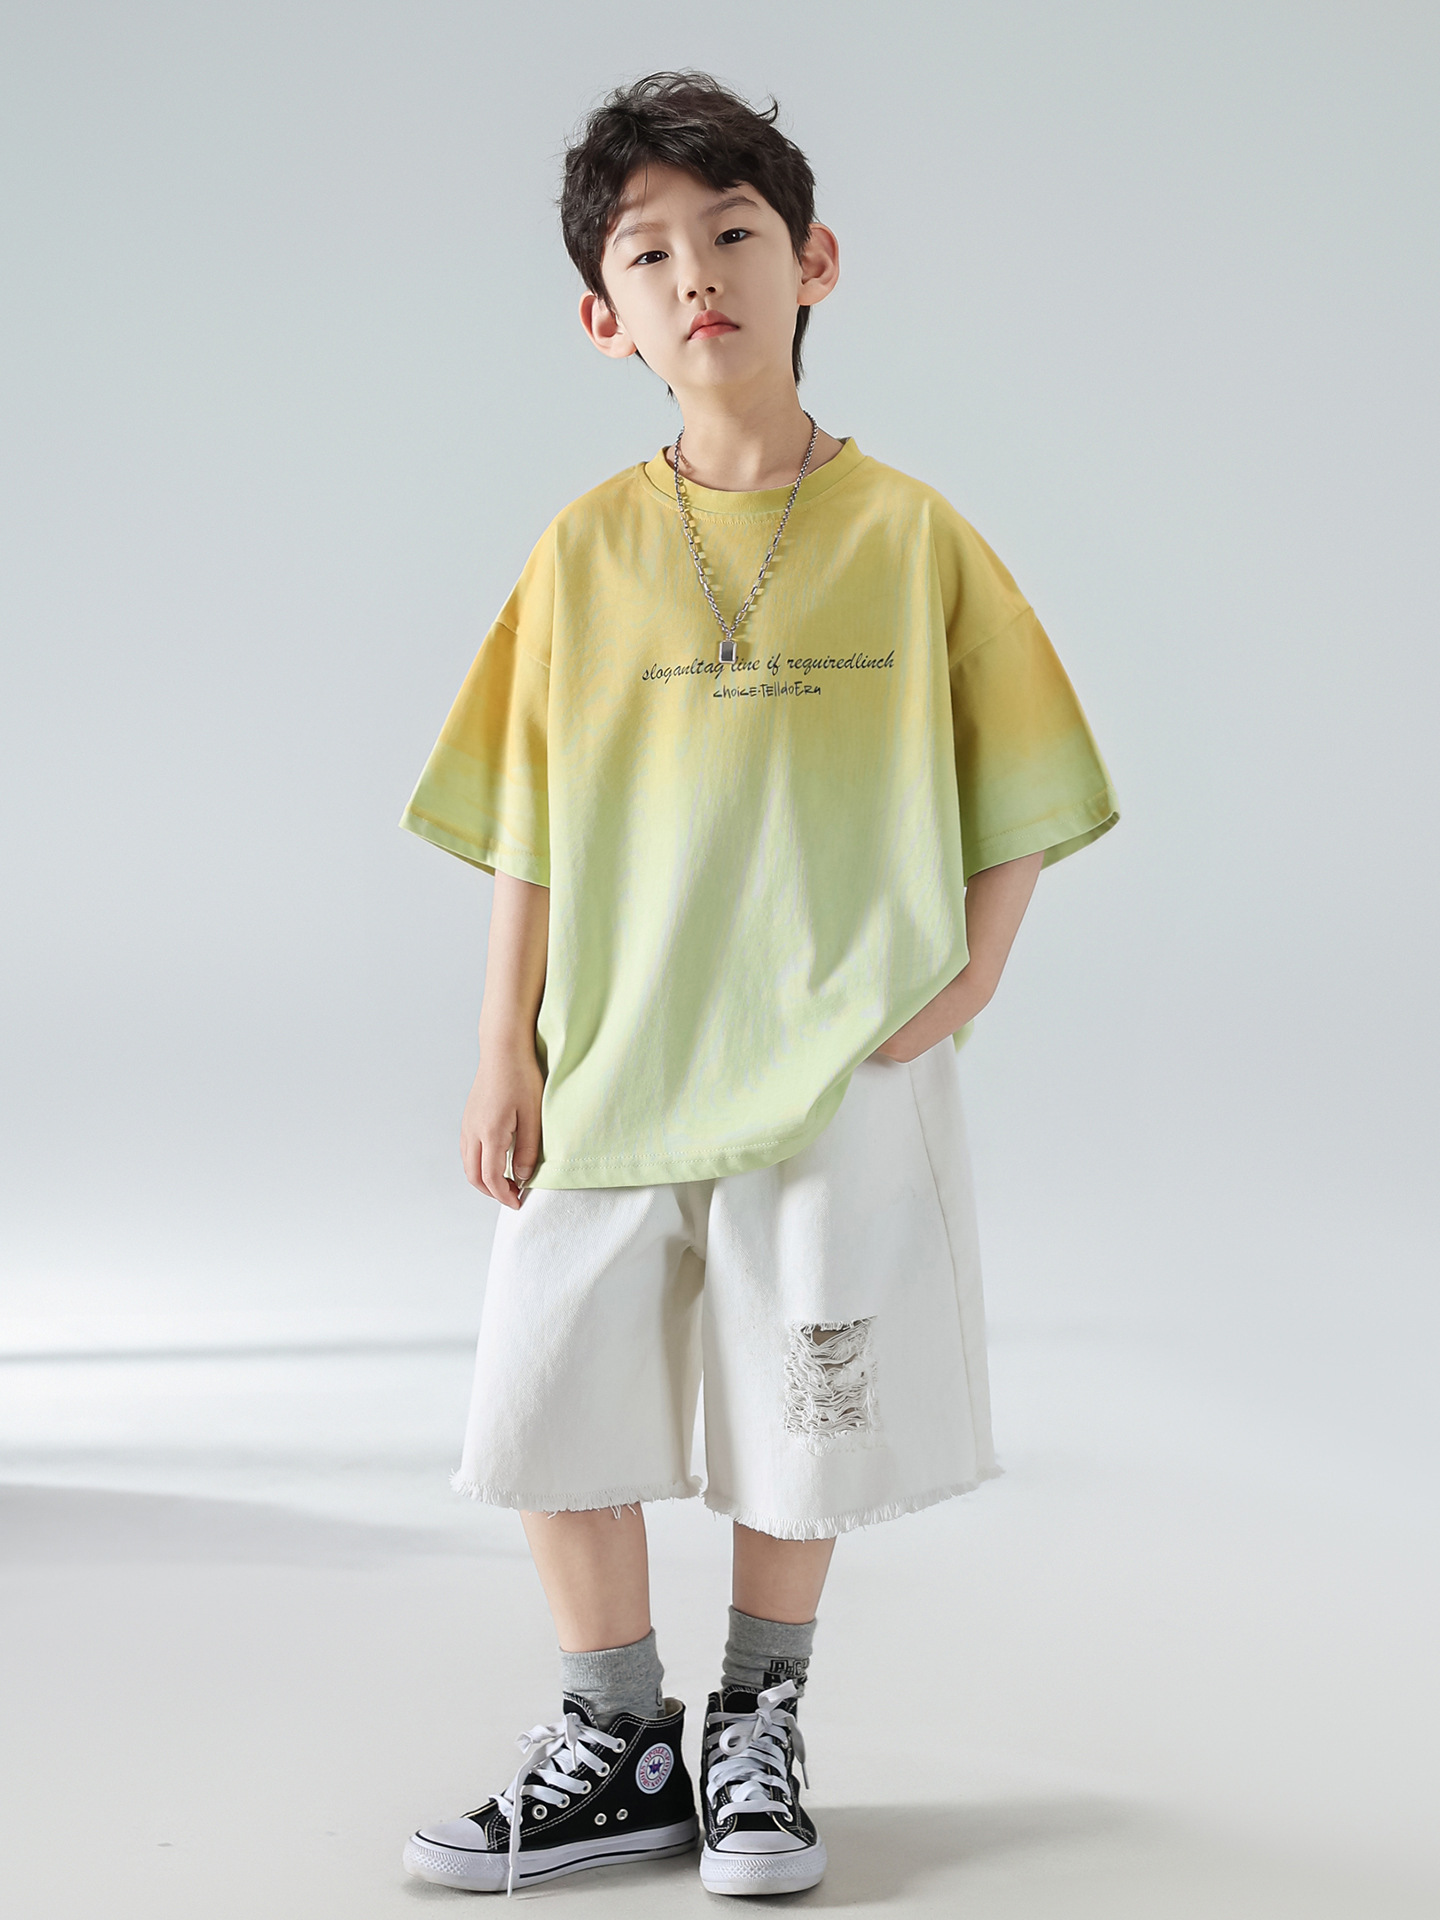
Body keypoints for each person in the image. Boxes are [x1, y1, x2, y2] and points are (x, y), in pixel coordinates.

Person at [397, 70, 1118, 1899]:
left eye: (732, 232)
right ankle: (617, 1738)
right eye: (648, 253)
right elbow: (526, 817)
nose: (697, 273)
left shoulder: (911, 534)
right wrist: (500, 1045)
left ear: (816, 262)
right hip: (616, 1048)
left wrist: (968, 977)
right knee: (553, 1389)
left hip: (831, 1059)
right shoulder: (583, 551)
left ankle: (754, 1726)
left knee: (803, 1410)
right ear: (604, 318)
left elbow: (1029, 773)